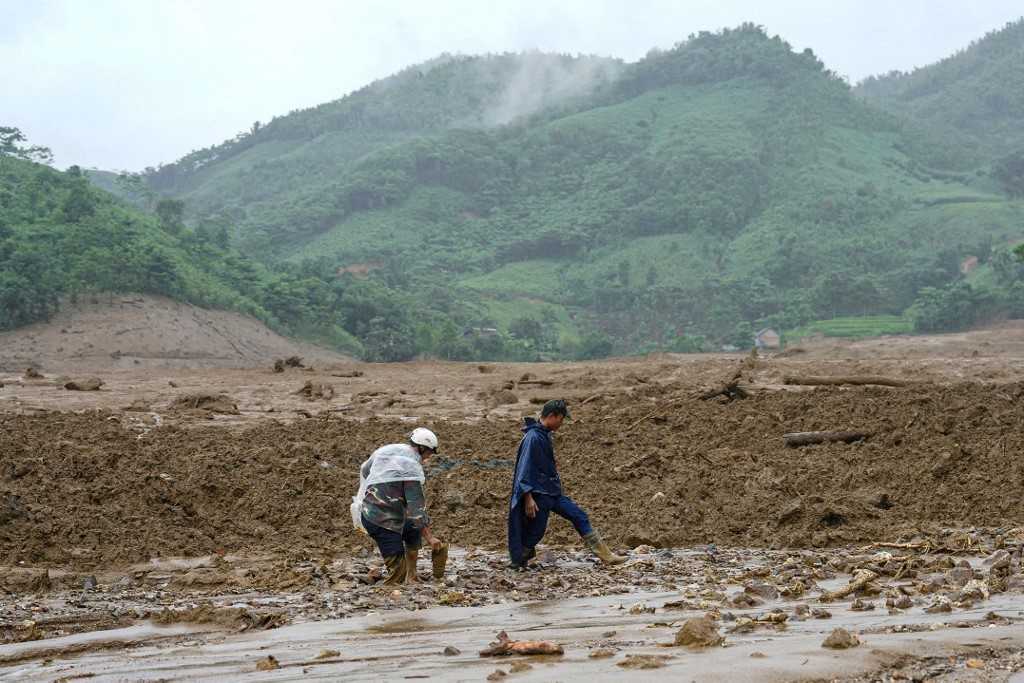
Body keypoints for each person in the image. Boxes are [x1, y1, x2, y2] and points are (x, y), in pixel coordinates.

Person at [507, 399, 625, 569]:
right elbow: (524, 470)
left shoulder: (542, 434)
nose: (562, 423)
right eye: (561, 419)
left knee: (579, 515)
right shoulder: (533, 438)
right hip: (539, 495)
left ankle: (607, 556)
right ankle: (518, 560)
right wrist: (528, 498)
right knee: (536, 532)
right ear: (552, 416)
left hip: (552, 493)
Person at [359, 427, 445, 584]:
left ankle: (412, 576)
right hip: (378, 520)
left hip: (382, 512)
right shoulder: (411, 470)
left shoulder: (388, 451)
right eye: (429, 453)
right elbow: (416, 510)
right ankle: (387, 592)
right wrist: (430, 538)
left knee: (412, 528)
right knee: (397, 575)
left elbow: (365, 470)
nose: (428, 458)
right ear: (422, 448)